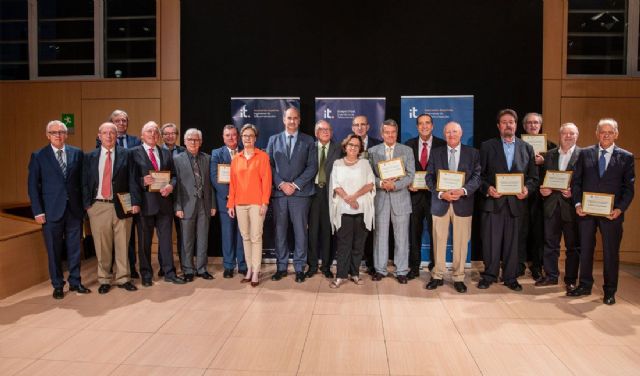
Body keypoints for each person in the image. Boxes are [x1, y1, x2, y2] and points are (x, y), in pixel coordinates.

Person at [570, 118, 635, 305]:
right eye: (602, 132)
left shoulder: (626, 157)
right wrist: (577, 205)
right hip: (586, 213)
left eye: (610, 132)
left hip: (611, 214)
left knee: (610, 252)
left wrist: (620, 209)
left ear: (616, 134)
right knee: (586, 250)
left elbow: (628, 189)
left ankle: (609, 291)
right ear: (597, 133)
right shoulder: (585, 153)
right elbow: (576, 183)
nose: (606, 135)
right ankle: (584, 285)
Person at [28, 120, 90, 299]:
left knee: (74, 248)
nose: (58, 135)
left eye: (61, 132)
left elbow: (83, 182)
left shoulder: (77, 153)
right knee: (54, 250)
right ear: (48, 135)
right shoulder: (39, 155)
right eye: (54, 132)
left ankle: (76, 282)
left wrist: (85, 205)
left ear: (66, 134)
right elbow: (33, 186)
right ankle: (57, 285)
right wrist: (38, 211)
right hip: (50, 211)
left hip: (74, 210)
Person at [478, 109, 538, 291]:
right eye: (504, 122)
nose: (508, 125)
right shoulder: (488, 146)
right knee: (491, 242)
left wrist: (527, 189)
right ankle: (489, 275)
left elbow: (534, 178)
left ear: (516, 125)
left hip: (517, 204)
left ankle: (511, 277)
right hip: (493, 203)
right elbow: (478, 175)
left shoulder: (526, 148)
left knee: (514, 244)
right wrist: (488, 188)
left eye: (511, 122)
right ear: (498, 126)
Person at [82, 122, 140, 294]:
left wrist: (135, 202)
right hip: (98, 206)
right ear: (99, 136)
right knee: (102, 245)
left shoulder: (127, 155)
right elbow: (84, 182)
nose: (108, 136)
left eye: (112, 133)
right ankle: (104, 279)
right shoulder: (89, 157)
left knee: (123, 243)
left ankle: (123, 278)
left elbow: (133, 180)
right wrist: (88, 205)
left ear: (117, 136)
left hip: (123, 204)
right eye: (105, 133)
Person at [424, 121, 481, 293]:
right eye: (448, 132)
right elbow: (429, 178)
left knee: (461, 243)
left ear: (461, 133)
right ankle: (437, 276)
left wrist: (463, 191)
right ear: (444, 134)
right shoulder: (436, 153)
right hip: (440, 203)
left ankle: (458, 277)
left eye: (455, 131)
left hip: (462, 203)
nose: (451, 135)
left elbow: (477, 177)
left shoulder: (473, 153)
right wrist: (441, 194)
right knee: (439, 241)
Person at [130, 121, 185, 286]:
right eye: (149, 131)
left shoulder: (166, 153)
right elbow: (130, 180)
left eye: (155, 132)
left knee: (166, 241)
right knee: (145, 243)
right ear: (142, 136)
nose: (153, 134)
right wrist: (141, 181)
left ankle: (169, 272)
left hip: (164, 204)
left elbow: (174, 176)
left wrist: (171, 186)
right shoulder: (133, 153)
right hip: (145, 205)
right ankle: (146, 275)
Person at [266, 107, 317, 283]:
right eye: (289, 118)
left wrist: (295, 185)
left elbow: (312, 167)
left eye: (295, 118)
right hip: (280, 194)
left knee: (300, 232)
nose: (292, 121)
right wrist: (281, 183)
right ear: (284, 119)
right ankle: (281, 267)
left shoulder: (308, 140)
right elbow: (269, 166)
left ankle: (299, 268)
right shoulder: (273, 140)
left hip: (300, 195)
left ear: (299, 120)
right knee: (280, 231)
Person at [96, 110, 143, 278]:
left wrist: (136, 199)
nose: (122, 123)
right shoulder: (97, 149)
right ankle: (106, 275)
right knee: (105, 243)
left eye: (124, 120)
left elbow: (134, 173)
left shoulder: (135, 142)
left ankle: (127, 271)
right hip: (104, 200)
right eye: (118, 120)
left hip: (127, 197)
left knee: (127, 239)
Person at [368, 119, 415, 284]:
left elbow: (410, 175)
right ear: (382, 134)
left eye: (393, 132)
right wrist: (381, 183)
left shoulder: (406, 150)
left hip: (400, 198)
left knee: (402, 237)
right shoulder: (372, 151)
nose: (390, 135)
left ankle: (401, 271)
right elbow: (368, 176)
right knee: (380, 236)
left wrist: (395, 185)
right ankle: (380, 269)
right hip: (380, 199)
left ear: (397, 133)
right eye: (387, 132)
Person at [536, 123, 581, 291]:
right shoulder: (549, 155)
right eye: (565, 133)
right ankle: (551, 275)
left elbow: (587, 182)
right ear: (560, 135)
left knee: (572, 246)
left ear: (577, 136)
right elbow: (542, 179)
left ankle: (570, 279)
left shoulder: (583, 155)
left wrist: (574, 194)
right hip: (551, 206)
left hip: (571, 207)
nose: (568, 136)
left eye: (572, 133)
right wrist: (543, 190)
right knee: (550, 244)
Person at [227, 124, 272, 287]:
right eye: (245, 135)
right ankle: (249, 269)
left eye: (250, 136)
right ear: (241, 137)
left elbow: (267, 182)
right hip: (239, 203)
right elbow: (233, 184)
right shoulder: (236, 159)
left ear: (255, 138)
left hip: (256, 203)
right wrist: (230, 204)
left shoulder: (262, 157)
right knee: (245, 237)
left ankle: (256, 271)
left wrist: (265, 202)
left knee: (255, 237)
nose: (247, 138)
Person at [329, 134, 375, 288]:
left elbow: (370, 184)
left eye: (356, 145)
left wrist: (354, 196)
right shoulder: (337, 164)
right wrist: (348, 199)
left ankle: (354, 273)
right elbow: (335, 185)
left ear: (360, 148)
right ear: (345, 146)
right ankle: (341, 275)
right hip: (343, 210)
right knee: (344, 245)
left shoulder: (365, 164)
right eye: (350, 144)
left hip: (362, 210)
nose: (353, 147)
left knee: (358, 245)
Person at [405, 113, 446, 278]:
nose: (424, 126)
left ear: (432, 125)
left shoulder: (442, 144)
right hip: (414, 197)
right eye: (421, 123)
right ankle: (414, 268)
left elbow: (445, 169)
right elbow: (405, 170)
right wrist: (408, 183)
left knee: (436, 233)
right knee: (414, 233)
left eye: (427, 123)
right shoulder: (409, 145)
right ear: (417, 127)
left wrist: (438, 185)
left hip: (435, 197)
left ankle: (435, 267)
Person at [174, 128, 216, 282]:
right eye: (190, 139)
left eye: (196, 139)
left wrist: (213, 204)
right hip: (185, 205)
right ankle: (188, 270)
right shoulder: (177, 159)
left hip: (204, 204)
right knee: (187, 239)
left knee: (203, 238)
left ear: (201, 142)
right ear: (184, 142)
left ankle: (202, 268)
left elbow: (211, 185)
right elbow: (176, 185)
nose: (193, 142)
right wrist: (177, 207)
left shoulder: (208, 158)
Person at [518, 112, 557, 280]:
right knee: (519, 232)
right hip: (521, 194)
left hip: (542, 196)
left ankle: (537, 267)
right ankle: (518, 265)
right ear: (524, 126)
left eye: (536, 123)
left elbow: (558, 172)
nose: (533, 126)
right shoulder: (517, 144)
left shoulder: (551, 147)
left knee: (539, 233)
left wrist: (545, 161)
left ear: (540, 126)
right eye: (529, 123)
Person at [306, 120, 342, 279]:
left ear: (332, 132)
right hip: (313, 193)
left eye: (328, 129)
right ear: (316, 132)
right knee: (312, 232)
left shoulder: (339, 148)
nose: (326, 132)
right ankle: (312, 266)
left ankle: (326, 266)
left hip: (330, 193)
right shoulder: (309, 147)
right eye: (322, 129)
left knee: (328, 232)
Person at [211, 125, 247, 278]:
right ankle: (229, 266)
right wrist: (229, 196)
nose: (231, 138)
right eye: (228, 135)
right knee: (227, 234)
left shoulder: (246, 152)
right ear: (223, 137)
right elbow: (215, 177)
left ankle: (243, 265)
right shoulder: (217, 153)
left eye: (233, 135)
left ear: (238, 136)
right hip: (225, 200)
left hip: (244, 200)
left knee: (242, 233)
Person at [352, 114, 382, 274]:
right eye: (356, 124)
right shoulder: (347, 145)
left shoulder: (378, 145)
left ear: (368, 127)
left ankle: (371, 263)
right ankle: (353, 264)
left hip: (372, 194)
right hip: (352, 196)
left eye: (363, 124)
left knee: (370, 229)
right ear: (352, 127)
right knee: (354, 229)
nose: (360, 127)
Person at [161, 122, 185, 269]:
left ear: (177, 135)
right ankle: (165, 266)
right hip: (162, 198)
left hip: (181, 198)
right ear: (162, 136)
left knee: (182, 234)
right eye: (167, 134)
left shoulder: (183, 151)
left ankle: (185, 264)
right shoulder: (157, 152)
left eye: (173, 133)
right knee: (164, 235)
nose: (170, 136)